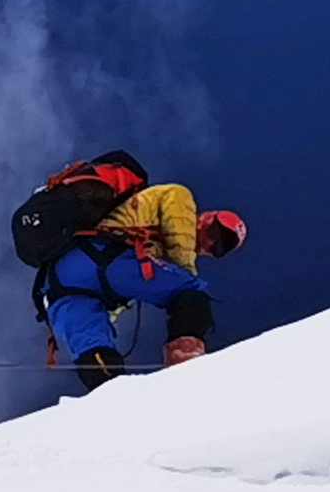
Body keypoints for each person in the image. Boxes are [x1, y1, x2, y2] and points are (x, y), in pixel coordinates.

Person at [24, 152, 249, 388]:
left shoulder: (152, 250)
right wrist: (184, 282)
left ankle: (111, 396)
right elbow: (179, 245)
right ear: (207, 216)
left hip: (60, 278)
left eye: (220, 248)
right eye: (215, 231)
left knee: (92, 345)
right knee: (190, 291)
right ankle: (186, 366)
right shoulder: (181, 198)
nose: (211, 243)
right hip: (104, 254)